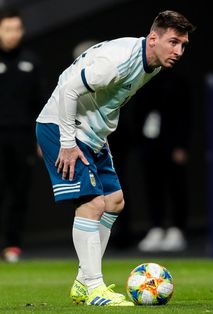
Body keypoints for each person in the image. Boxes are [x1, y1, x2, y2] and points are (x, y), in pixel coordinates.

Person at [36, 10, 195, 306]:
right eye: (173, 42)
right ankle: (95, 288)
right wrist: (68, 143)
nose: (178, 51)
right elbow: (68, 88)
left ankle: (84, 283)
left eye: (183, 45)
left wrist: (100, 133)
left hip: (93, 133)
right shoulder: (117, 62)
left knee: (114, 201)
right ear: (153, 38)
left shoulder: (154, 65)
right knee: (93, 203)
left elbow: (106, 99)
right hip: (62, 127)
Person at [0, 8, 43, 262]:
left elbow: (40, 103)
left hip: (23, 138)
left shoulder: (32, 61)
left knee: (19, 192)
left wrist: (40, 138)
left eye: (17, 29)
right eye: (7, 29)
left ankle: (13, 245)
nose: (12, 34)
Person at [137, 70, 191, 252]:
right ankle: (156, 227)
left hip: (172, 144)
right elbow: (136, 113)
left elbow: (185, 115)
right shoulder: (141, 80)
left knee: (176, 187)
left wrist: (181, 145)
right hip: (149, 144)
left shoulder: (176, 81)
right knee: (152, 187)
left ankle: (177, 229)